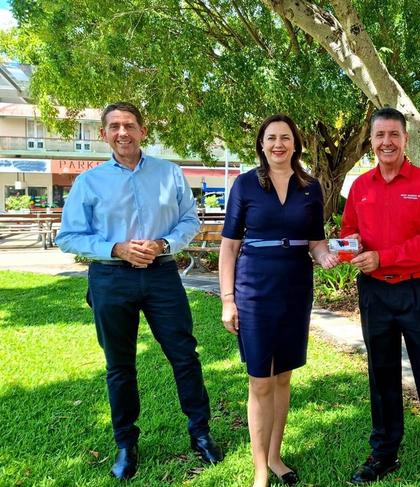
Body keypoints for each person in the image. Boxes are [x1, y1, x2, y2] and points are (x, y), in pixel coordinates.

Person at [56, 102, 223, 480]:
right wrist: (115, 248)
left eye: (129, 125)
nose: (122, 132)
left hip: (162, 275)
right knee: (119, 365)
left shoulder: (170, 173)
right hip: (110, 278)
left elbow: (189, 220)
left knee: (184, 355)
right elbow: (68, 236)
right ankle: (126, 443)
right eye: (114, 126)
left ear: (143, 131)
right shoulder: (89, 182)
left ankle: (200, 433)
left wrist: (164, 244)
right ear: (104, 135)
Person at [341, 107, 420, 487]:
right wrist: (349, 247)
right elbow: (349, 231)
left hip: (416, 290)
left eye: (394, 134)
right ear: (372, 141)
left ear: (405, 139)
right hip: (374, 293)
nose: (386, 142)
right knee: (381, 375)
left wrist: (384, 257)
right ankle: (384, 452)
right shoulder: (360, 187)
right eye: (380, 136)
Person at [218, 114, 337, 487]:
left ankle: (274, 456)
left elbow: (315, 241)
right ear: (261, 144)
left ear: (296, 144)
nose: (278, 145)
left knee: (283, 377)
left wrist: (326, 256)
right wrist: (228, 299)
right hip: (254, 288)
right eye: (271, 138)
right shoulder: (245, 185)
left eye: (285, 138)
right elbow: (229, 246)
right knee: (260, 381)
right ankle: (258, 471)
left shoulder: (311, 187)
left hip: (295, 288)